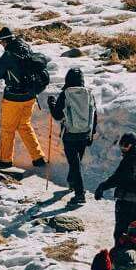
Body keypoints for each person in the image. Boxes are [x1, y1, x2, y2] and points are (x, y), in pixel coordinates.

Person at [0, 27, 50, 168]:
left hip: (13, 98)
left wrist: (7, 73)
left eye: (0, 42)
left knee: (7, 129)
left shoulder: (8, 55)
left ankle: (5, 160)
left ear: (5, 40)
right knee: (24, 125)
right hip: (30, 95)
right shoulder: (26, 48)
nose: (0, 44)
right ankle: (38, 157)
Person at [48, 67, 99, 204]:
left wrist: (51, 104)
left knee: (75, 164)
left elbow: (57, 115)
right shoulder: (89, 94)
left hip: (70, 134)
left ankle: (80, 194)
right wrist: (91, 134)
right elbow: (94, 114)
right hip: (84, 134)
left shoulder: (66, 93)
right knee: (76, 162)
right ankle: (72, 182)